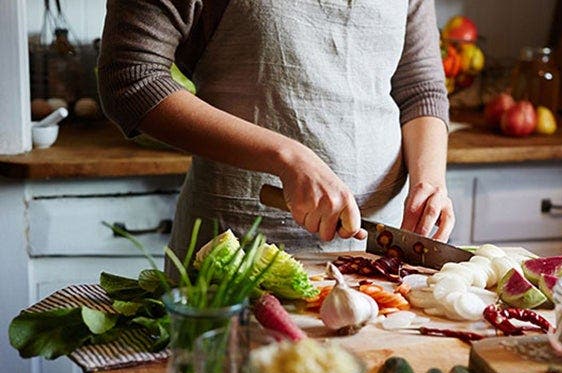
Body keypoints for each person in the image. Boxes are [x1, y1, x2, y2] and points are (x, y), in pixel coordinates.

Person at [97, 0, 454, 259]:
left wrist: (429, 181)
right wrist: (287, 158)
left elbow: (419, 88)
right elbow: (131, 78)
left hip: (380, 249)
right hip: (241, 251)